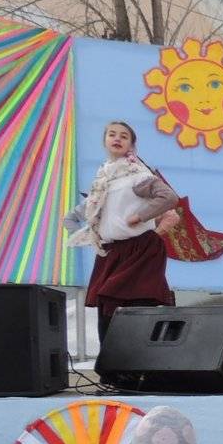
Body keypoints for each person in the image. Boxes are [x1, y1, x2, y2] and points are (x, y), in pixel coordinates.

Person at [66, 120, 181, 342]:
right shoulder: (103, 181)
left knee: (135, 306)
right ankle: (111, 360)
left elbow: (169, 197)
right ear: (105, 141)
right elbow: (75, 215)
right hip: (112, 251)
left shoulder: (137, 175)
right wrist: (88, 234)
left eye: (124, 136)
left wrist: (140, 216)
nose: (117, 138)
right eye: (112, 134)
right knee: (107, 308)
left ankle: (136, 358)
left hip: (139, 249)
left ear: (131, 145)